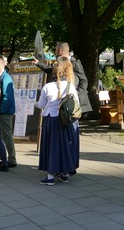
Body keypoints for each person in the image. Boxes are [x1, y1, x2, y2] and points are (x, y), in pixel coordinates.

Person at [35, 56, 79, 186]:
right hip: (66, 121)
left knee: (51, 147)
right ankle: (65, 173)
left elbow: (41, 103)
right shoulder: (71, 87)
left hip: (51, 120)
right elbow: (75, 103)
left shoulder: (47, 87)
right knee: (65, 146)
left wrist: (36, 104)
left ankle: (50, 176)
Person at [32, 41, 92, 114]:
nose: (55, 51)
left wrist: (75, 93)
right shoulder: (59, 62)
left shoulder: (75, 63)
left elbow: (84, 81)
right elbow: (51, 70)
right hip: (61, 103)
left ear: (60, 51)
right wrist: (38, 63)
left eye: (56, 49)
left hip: (73, 103)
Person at [0, 58, 17, 167]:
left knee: (6, 135)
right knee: (2, 135)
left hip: (5, 112)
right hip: (3, 110)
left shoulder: (6, 78)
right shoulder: (1, 77)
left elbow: (7, 97)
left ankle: (11, 159)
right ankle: (2, 156)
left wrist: (2, 111)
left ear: (2, 66)